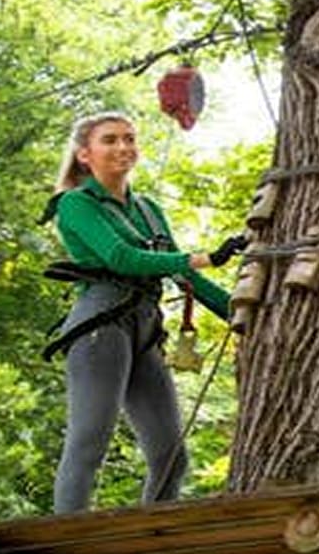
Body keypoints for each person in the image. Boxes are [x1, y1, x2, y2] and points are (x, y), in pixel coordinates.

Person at [45, 111, 244, 513]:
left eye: (129, 139)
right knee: (89, 443)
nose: (123, 147)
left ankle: (154, 532)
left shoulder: (148, 209)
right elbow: (121, 257)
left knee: (172, 455)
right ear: (85, 155)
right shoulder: (75, 204)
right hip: (101, 325)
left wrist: (240, 314)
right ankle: (67, 544)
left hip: (144, 328)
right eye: (110, 140)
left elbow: (183, 274)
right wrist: (203, 257)